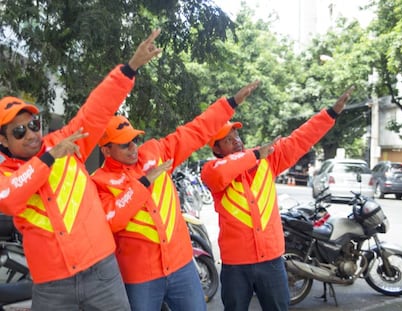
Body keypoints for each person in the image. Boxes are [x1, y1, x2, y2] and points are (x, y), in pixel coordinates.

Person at [0, 29, 162, 310]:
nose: (30, 134)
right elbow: (9, 199)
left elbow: (97, 109)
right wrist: (49, 158)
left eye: (34, 124)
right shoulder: (10, 171)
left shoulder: (67, 141)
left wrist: (130, 68)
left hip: (101, 274)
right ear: (3, 140)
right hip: (51, 286)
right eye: (19, 131)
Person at [91, 80, 260, 311]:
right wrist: (143, 183)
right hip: (141, 276)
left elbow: (195, 131)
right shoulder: (98, 181)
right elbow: (113, 221)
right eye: (124, 145)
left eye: (134, 140)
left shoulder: (154, 152)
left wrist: (231, 104)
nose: (133, 148)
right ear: (106, 150)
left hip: (181, 266)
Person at [200, 86, 355, 311]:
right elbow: (221, 173)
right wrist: (253, 155)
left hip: (271, 261)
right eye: (228, 140)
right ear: (216, 149)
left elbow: (299, 140)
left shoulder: (266, 160)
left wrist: (330, 114)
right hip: (236, 265)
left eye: (237, 135)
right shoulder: (212, 169)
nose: (236, 141)